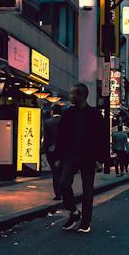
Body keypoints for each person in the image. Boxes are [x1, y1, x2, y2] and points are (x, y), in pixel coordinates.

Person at [54, 82, 108, 232]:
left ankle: (86, 221)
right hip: (70, 154)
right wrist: (58, 157)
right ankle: (74, 212)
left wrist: (100, 159)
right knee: (63, 183)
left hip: (89, 156)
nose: (70, 96)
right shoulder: (68, 113)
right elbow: (61, 135)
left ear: (81, 96)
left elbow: (102, 137)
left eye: (72, 94)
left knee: (87, 189)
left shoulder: (95, 114)